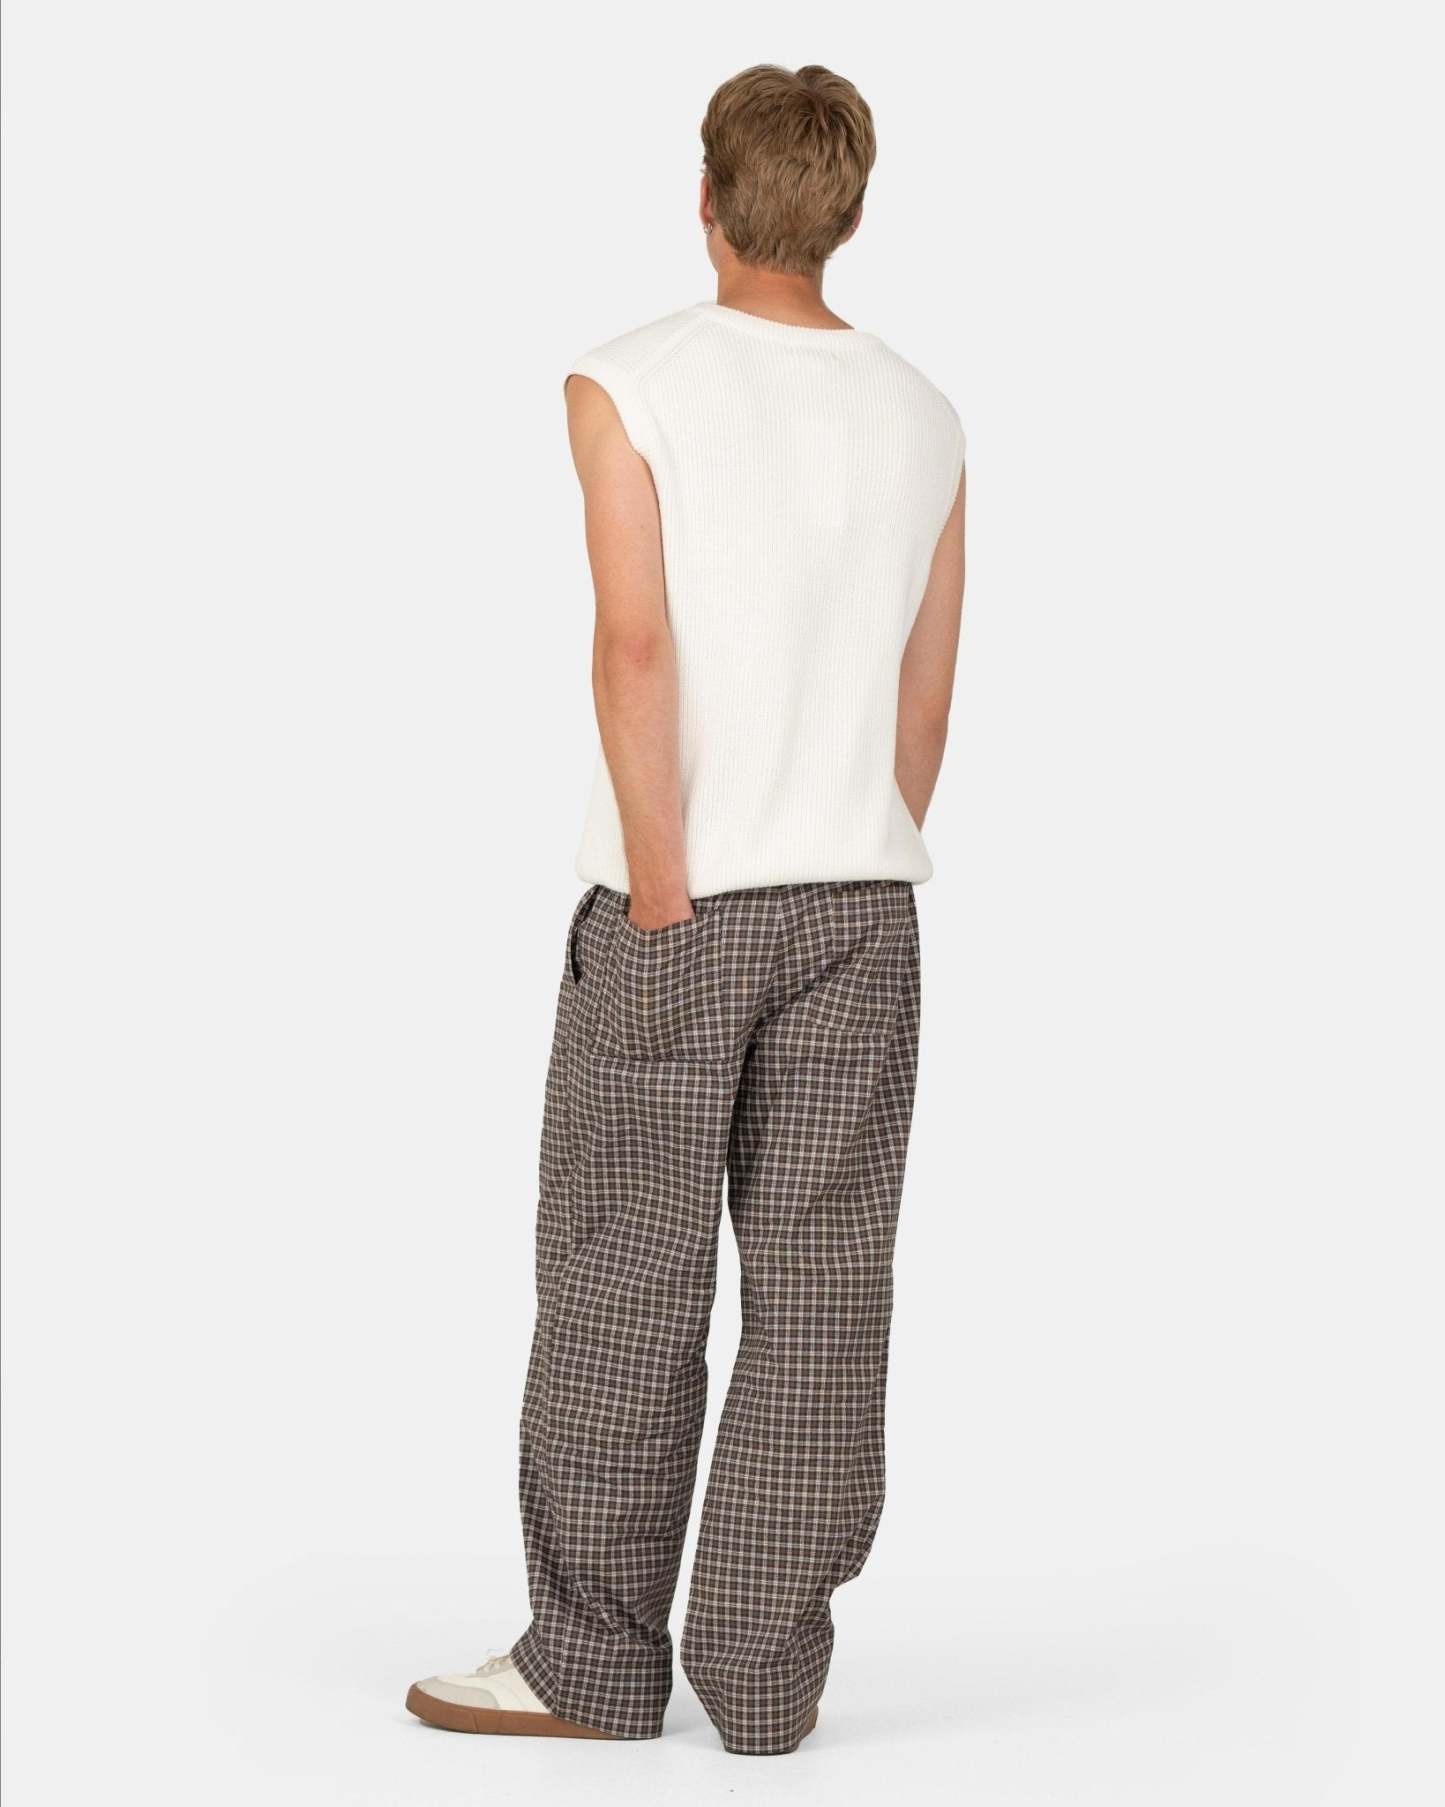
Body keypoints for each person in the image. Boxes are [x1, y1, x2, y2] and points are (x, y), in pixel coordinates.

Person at [407, 60, 967, 1758]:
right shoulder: (924, 415)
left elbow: (635, 645)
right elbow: (920, 694)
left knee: (620, 1278)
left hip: (682, 896)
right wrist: (853, 834)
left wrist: (662, 881)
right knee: (822, 1292)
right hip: (862, 904)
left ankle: (591, 1664)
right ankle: (766, 1677)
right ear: (848, 210)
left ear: (707, 201)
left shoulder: (625, 382)